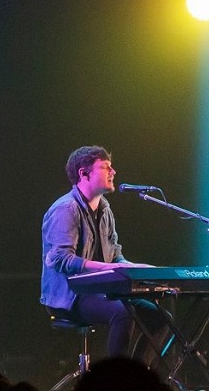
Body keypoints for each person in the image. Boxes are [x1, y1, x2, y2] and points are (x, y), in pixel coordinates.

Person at [40, 145, 166, 362]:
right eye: (105, 167)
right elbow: (60, 259)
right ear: (84, 173)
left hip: (100, 290)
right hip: (70, 295)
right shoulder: (66, 209)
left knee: (160, 318)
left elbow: (115, 254)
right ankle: (114, 382)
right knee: (123, 313)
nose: (113, 172)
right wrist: (112, 268)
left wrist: (132, 268)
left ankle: (136, 378)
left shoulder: (105, 209)